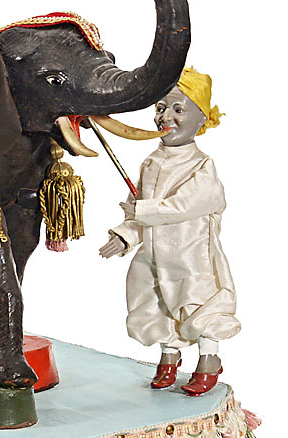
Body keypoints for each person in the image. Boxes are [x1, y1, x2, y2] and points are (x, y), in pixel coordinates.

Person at [99, 67, 240, 395]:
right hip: (153, 257)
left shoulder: (201, 166)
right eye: (161, 108)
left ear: (202, 119)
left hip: (191, 259)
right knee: (157, 305)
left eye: (179, 109)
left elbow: (184, 205)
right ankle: (168, 357)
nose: (166, 117)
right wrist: (125, 234)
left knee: (199, 306)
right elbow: (137, 209)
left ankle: (209, 359)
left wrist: (142, 211)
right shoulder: (150, 163)